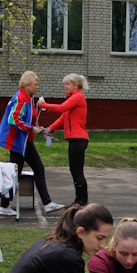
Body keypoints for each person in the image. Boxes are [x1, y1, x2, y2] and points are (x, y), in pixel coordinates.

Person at [0, 71, 65, 215]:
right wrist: (31, 128)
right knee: (19, 172)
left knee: (23, 171)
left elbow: (26, 118)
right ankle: (7, 206)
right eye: (35, 84)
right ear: (27, 85)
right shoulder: (21, 98)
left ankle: (44, 203)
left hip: (24, 142)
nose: (37, 87)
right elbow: (13, 120)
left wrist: (37, 128)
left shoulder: (28, 98)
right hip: (19, 143)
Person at [38, 73, 90, 208]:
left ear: (75, 85)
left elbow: (61, 108)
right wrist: (50, 129)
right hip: (74, 139)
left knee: (77, 170)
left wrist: (43, 104)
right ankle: (78, 199)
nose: (65, 87)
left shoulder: (77, 97)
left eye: (67, 84)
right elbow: (63, 117)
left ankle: (82, 201)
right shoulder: (73, 99)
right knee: (74, 170)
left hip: (79, 139)